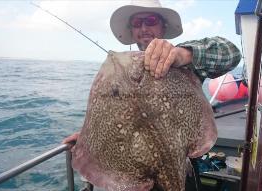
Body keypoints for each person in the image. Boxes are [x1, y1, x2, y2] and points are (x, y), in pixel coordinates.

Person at [63, 0, 241, 190]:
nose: (144, 27)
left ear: (163, 26)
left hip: (180, 169)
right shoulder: (117, 73)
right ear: (132, 30)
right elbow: (122, 120)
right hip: (135, 175)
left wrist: (183, 54)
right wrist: (90, 138)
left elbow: (231, 53)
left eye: (150, 20)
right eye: (137, 23)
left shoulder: (183, 65)